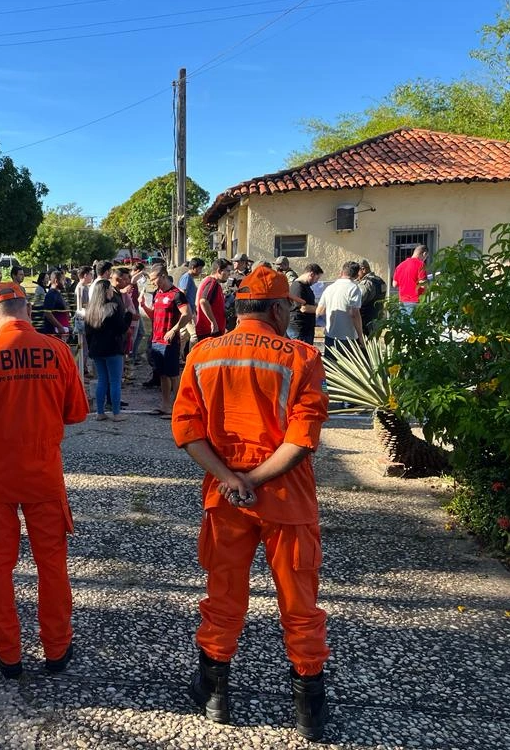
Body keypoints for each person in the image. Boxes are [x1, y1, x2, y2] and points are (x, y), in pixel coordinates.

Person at [172, 265, 330, 742]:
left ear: (239, 307)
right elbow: (302, 439)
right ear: (279, 308)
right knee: (300, 604)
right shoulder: (302, 356)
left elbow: (186, 429)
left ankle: (215, 693)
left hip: (225, 500)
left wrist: (229, 479)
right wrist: (256, 478)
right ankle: (309, 709)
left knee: (222, 597)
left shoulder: (202, 353)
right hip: (288, 499)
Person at [0, 282, 88, 679]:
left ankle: (8, 654)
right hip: (43, 474)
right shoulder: (58, 351)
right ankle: (57, 649)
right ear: (27, 311)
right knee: (52, 565)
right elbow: (76, 412)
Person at [141, 272, 191, 416]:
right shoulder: (158, 294)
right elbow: (154, 316)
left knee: (173, 374)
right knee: (162, 374)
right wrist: (143, 305)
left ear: (162, 276)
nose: (152, 282)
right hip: (156, 339)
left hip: (169, 342)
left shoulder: (177, 294)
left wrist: (174, 330)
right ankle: (165, 405)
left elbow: (187, 314)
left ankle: (179, 406)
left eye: (154, 279)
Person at [85, 279, 131, 421]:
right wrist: (128, 316)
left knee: (102, 380)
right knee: (115, 381)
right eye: (110, 289)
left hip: (97, 349)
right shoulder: (113, 307)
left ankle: (100, 412)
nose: (112, 291)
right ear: (106, 291)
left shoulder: (90, 310)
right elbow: (121, 328)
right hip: (113, 348)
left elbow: (88, 333)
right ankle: (116, 413)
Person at [317, 261, 364, 360]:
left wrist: (327, 324)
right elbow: (354, 314)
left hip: (330, 334)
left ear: (341, 272)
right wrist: (360, 336)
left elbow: (320, 311)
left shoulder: (330, 288)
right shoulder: (354, 289)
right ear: (356, 275)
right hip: (348, 336)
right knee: (347, 370)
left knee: (330, 369)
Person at [195, 258, 232, 341]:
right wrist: (213, 322)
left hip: (209, 330)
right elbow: (203, 301)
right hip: (210, 331)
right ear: (219, 271)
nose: (229, 274)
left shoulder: (208, 281)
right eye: (228, 271)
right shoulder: (212, 282)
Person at [288, 264, 323, 344]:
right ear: (311, 274)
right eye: (317, 278)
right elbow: (303, 308)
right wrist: (322, 309)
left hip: (306, 329)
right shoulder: (298, 287)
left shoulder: (306, 286)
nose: (316, 281)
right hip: (299, 330)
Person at [391, 244, 428, 313]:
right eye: (426, 257)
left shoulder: (400, 265)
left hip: (402, 302)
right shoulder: (420, 264)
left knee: (404, 323)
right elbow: (423, 284)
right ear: (424, 254)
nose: (425, 259)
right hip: (415, 301)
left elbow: (394, 284)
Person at [356, 259, 387, 336]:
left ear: (363, 269)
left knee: (363, 346)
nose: (355, 275)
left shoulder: (366, 283)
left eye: (357, 271)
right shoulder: (380, 280)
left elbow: (357, 302)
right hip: (377, 319)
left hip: (366, 322)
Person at [41, 271, 70, 340]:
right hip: (54, 333)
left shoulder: (57, 293)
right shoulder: (51, 294)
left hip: (61, 331)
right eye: (63, 280)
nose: (65, 282)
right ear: (56, 281)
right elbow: (48, 313)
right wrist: (60, 327)